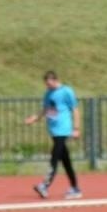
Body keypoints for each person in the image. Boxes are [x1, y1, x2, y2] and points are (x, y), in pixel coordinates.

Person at [24, 70, 82, 200]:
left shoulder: (67, 91)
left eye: (49, 84)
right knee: (66, 162)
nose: (48, 86)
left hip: (64, 130)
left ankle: (44, 186)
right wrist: (34, 118)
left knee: (54, 158)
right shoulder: (48, 93)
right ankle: (75, 188)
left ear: (55, 80)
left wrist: (76, 128)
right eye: (46, 84)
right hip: (54, 131)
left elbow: (75, 109)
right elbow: (45, 110)